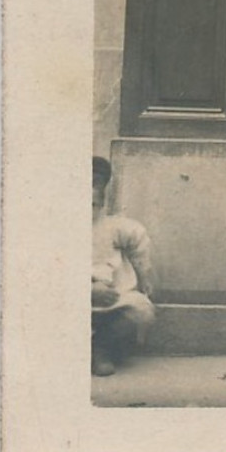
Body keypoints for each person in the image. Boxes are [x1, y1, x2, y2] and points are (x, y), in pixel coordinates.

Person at [91, 156, 155, 376]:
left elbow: (138, 239)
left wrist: (144, 275)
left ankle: (100, 348)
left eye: (93, 204)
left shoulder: (112, 226)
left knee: (141, 309)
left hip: (113, 299)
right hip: (72, 300)